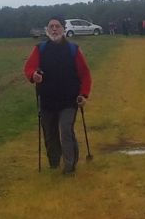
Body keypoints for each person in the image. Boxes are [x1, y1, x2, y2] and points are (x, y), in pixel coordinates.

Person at [22, 16, 92, 174]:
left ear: (64, 29)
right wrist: (34, 75)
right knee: (50, 133)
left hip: (69, 100)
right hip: (47, 100)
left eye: (57, 26)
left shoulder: (73, 50)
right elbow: (29, 68)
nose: (54, 29)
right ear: (47, 30)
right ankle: (54, 162)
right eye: (51, 26)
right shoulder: (40, 49)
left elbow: (85, 74)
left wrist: (84, 94)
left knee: (66, 130)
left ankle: (69, 165)